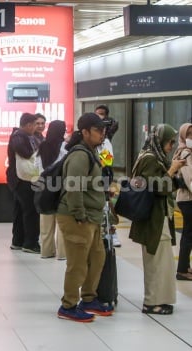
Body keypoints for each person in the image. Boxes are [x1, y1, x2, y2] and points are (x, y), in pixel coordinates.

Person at [56, 113, 114, 322]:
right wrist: (79, 214)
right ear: (85, 132)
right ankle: (68, 305)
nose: (102, 134)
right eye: (98, 130)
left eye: (103, 130)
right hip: (77, 217)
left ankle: (88, 299)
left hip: (93, 217)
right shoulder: (80, 155)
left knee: (97, 257)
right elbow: (73, 187)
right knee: (78, 263)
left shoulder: (92, 152)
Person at [129, 124, 185, 315]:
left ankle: (160, 299)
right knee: (156, 262)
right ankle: (152, 302)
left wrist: (173, 171)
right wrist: (172, 171)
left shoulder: (153, 157)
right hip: (153, 218)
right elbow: (156, 187)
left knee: (162, 261)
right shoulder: (150, 158)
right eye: (170, 142)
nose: (171, 145)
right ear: (160, 141)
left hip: (158, 217)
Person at [7, 112, 41, 254]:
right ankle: (30, 243)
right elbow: (26, 153)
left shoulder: (27, 136)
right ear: (28, 125)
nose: (37, 127)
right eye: (35, 124)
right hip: (22, 180)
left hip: (21, 179)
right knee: (30, 212)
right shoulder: (18, 137)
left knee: (21, 211)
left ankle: (18, 241)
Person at [36, 120, 67, 260]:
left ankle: (46, 251)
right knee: (62, 223)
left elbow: (37, 166)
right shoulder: (65, 147)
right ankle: (62, 253)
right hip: (61, 187)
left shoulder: (42, 146)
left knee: (46, 222)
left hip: (44, 186)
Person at [94, 105, 121, 247]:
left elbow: (107, 162)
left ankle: (112, 232)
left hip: (102, 179)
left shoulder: (105, 143)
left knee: (106, 207)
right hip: (88, 181)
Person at [174, 122, 192, 281]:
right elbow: (190, 179)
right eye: (189, 134)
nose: (191, 137)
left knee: (188, 234)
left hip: (186, 198)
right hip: (188, 199)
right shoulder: (186, 153)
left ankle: (185, 267)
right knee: (188, 234)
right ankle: (182, 270)